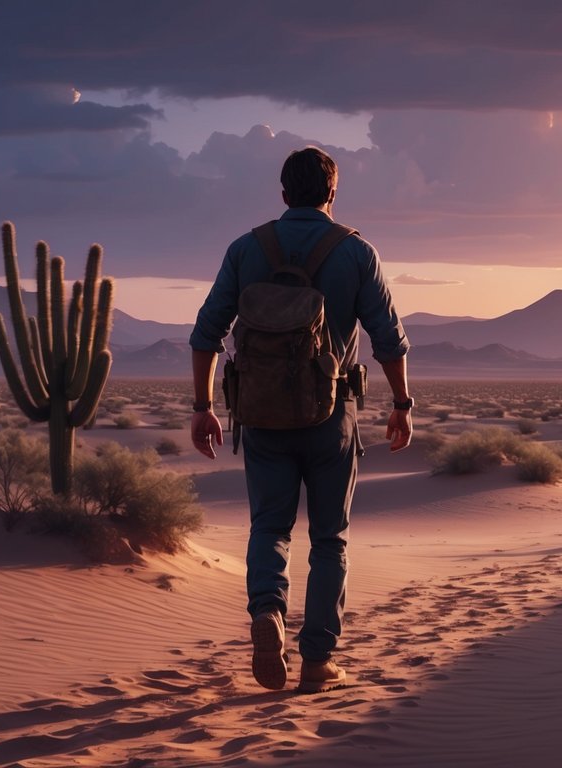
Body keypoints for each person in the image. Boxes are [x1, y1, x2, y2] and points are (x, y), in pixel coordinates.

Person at [189, 147, 412, 693]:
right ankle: (317, 659)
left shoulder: (247, 249)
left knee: (270, 527)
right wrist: (402, 404)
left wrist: (202, 408)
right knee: (330, 537)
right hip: (332, 416)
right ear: (333, 194)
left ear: (284, 194)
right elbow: (388, 339)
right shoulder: (356, 253)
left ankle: (268, 610)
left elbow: (206, 333)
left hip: (261, 415)